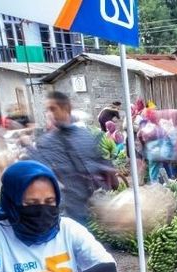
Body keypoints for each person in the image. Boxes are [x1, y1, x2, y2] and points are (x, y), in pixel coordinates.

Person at [29, 91, 114, 223]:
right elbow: (40, 173)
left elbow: (96, 162)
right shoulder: (46, 142)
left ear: (66, 108)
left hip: (91, 206)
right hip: (66, 212)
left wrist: (106, 169)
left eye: (53, 109)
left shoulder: (85, 135)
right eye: (47, 110)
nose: (49, 114)